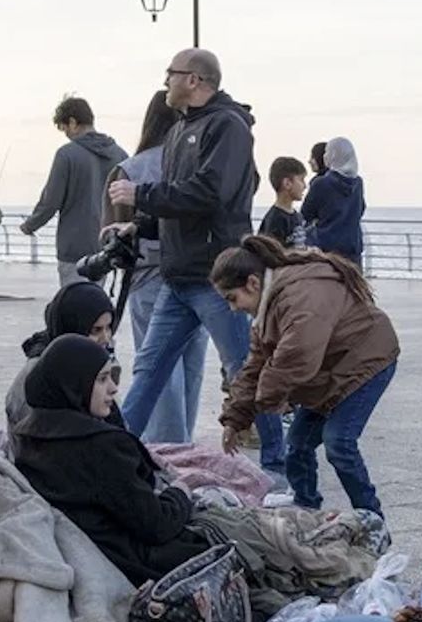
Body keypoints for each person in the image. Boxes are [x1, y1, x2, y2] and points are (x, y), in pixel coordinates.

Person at [107, 48, 286, 477]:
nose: (164, 81)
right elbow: (178, 198)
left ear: (194, 80)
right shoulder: (179, 130)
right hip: (177, 276)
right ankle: (116, 456)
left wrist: (141, 197)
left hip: (217, 280)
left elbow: (210, 193)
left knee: (244, 370)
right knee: (149, 368)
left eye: (171, 74)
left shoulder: (229, 127)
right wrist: (143, 226)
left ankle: (280, 467)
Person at [213, 236, 399, 515]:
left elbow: (296, 357)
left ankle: (371, 517)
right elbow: (254, 368)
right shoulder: (266, 309)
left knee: (339, 443)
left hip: (367, 362)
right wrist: (234, 419)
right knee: (298, 443)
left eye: (232, 298)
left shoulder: (300, 294)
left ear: (253, 283)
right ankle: (306, 503)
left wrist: (265, 402)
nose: (233, 307)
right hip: (330, 372)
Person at [13, 334, 210, 586]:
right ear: (75, 385)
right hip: (132, 563)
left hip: (91, 552)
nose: (114, 388)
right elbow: (157, 525)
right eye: (102, 379)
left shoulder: (30, 433)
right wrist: (181, 491)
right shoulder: (100, 446)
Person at [107, 90, 207, 444]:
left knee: (158, 369)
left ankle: (168, 448)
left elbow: (114, 233)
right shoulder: (197, 164)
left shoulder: (131, 169)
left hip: (149, 275)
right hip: (198, 274)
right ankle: (185, 443)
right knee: (191, 366)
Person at [19, 96, 128, 288]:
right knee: (96, 305)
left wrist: (30, 225)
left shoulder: (67, 154)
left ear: (72, 122)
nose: (66, 134)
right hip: (108, 244)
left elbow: (50, 201)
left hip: (74, 246)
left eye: (64, 128)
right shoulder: (120, 155)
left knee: (75, 306)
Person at [5, 280, 121, 439]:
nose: (106, 338)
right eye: (96, 330)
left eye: (109, 328)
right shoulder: (41, 375)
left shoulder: (90, 363)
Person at [302, 137, 365, 264]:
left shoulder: (321, 183)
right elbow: (361, 209)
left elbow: (306, 213)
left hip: (327, 250)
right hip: (353, 249)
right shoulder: (358, 183)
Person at [259, 157, 308, 248]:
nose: (305, 186)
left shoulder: (298, 217)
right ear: (287, 183)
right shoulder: (275, 221)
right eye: (301, 180)